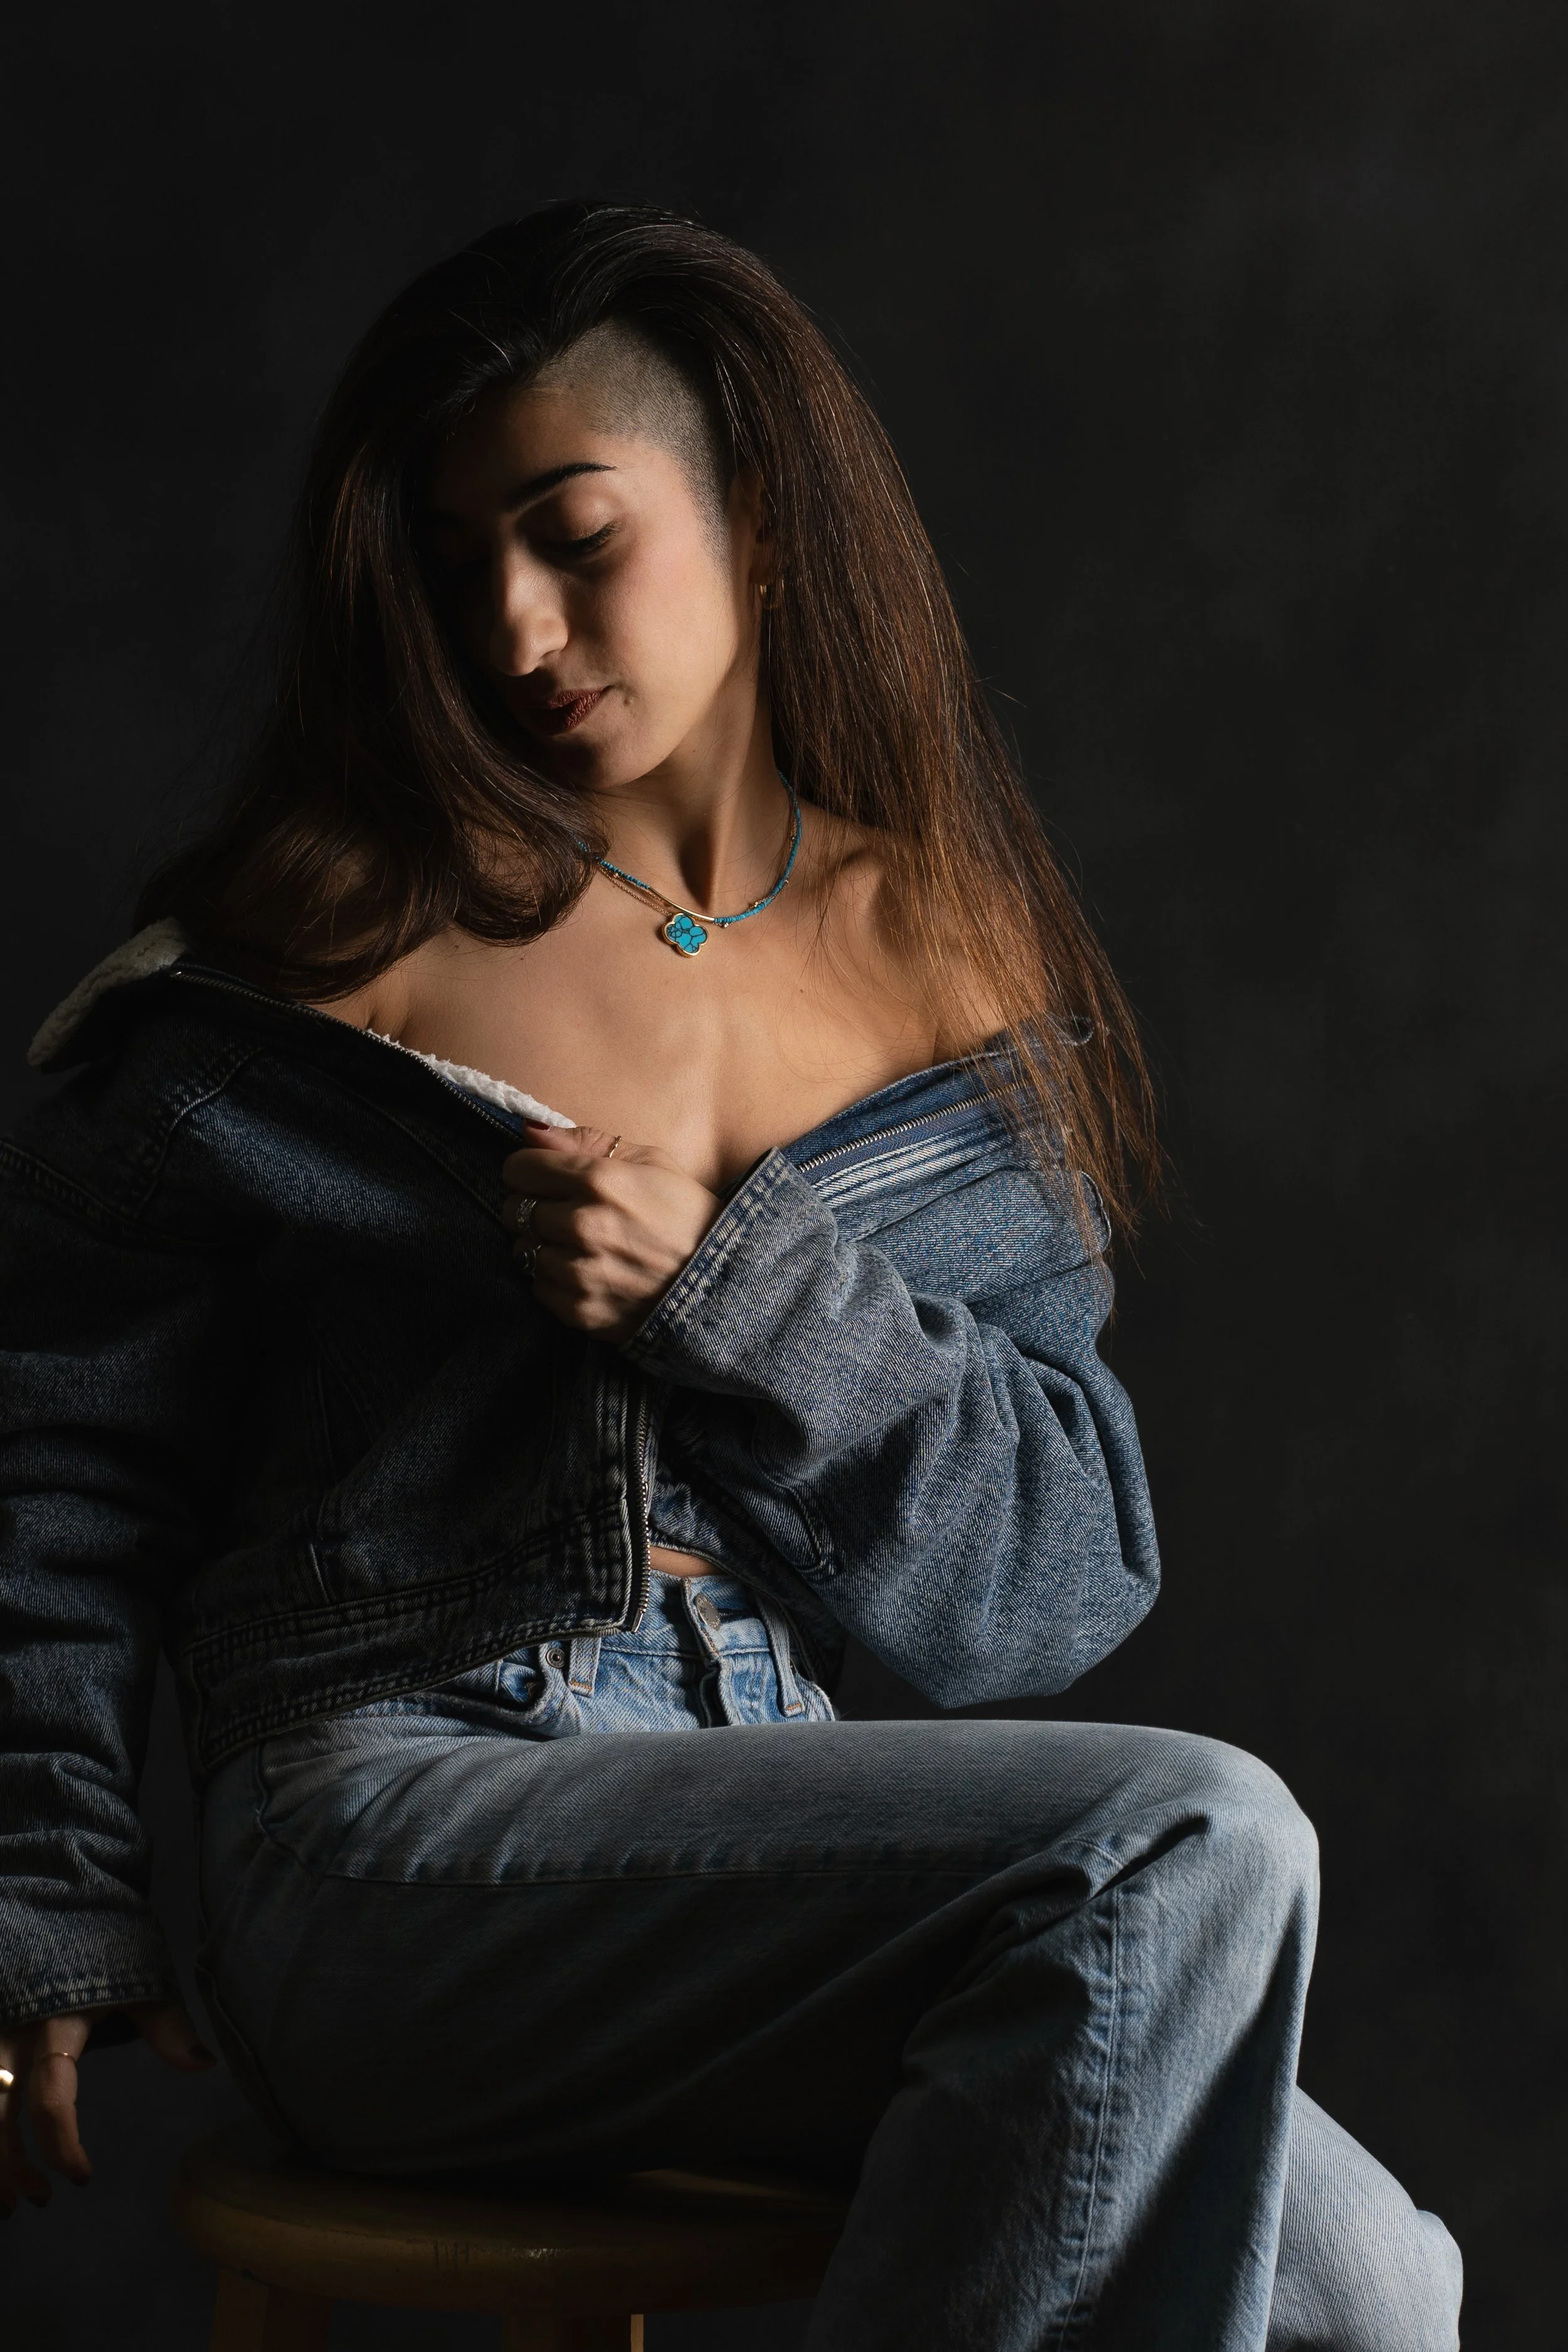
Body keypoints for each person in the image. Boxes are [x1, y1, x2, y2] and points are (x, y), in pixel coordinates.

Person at [0, 202, 1460, 2349]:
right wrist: (45, 1897)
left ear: (755, 514)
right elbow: (54, 1468)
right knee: (1189, 1837)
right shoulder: (318, 946)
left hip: (776, 1841)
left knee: (1373, 2283)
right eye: (449, 557)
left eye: (571, 533)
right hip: (385, 1832)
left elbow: (1040, 1591)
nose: (510, 621)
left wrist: (746, 1297)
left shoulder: (949, 965)